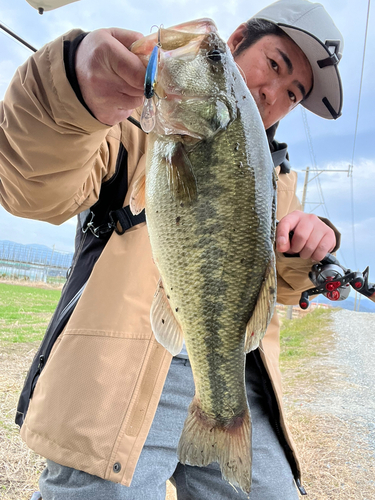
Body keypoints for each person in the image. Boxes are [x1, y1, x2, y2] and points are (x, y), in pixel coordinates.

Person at [0, 0, 344, 499]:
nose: (273, 95)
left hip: (235, 376)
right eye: (274, 65)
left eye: (294, 94)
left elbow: (276, 288)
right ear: (239, 37)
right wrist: (71, 92)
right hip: (120, 369)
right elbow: (30, 186)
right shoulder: (132, 122)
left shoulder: (279, 180)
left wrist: (311, 250)